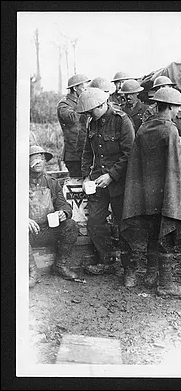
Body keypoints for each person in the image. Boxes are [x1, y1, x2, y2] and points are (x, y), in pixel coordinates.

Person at [121, 87, 181, 297]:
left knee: (152, 231)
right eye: (177, 108)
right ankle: (165, 285)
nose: (178, 112)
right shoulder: (170, 130)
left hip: (146, 195)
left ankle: (150, 274)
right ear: (171, 106)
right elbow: (175, 167)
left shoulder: (143, 127)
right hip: (165, 192)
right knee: (166, 233)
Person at [76, 87, 135, 284]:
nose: (89, 116)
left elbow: (129, 154)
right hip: (97, 181)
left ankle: (130, 269)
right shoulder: (91, 122)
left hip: (119, 182)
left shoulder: (121, 120)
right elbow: (87, 153)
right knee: (94, 221)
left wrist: (111, 175)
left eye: (91, 111)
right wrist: (86, 177)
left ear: (102, 105)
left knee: (123, 225)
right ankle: (107, 259)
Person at [28, 145, 80, 287]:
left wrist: (63, 213)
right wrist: (22, 219)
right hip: (29, 234)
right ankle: (33, 272)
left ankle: (60, 266)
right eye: (33, 158)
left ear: (45, 162)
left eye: (41, 159)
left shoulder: (52, 183)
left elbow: (64, 205)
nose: (37, 162)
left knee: (71, 225)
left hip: (49, 230)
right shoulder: (18, 182)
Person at [57, 73, 91, 178]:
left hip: (86, 151)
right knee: (77, 184)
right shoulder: (64, 104)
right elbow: (72, 118)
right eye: (84, 88)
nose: (86, 90)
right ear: (75, 88)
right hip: (74, 155)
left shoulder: (83, 102)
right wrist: (83, 103)